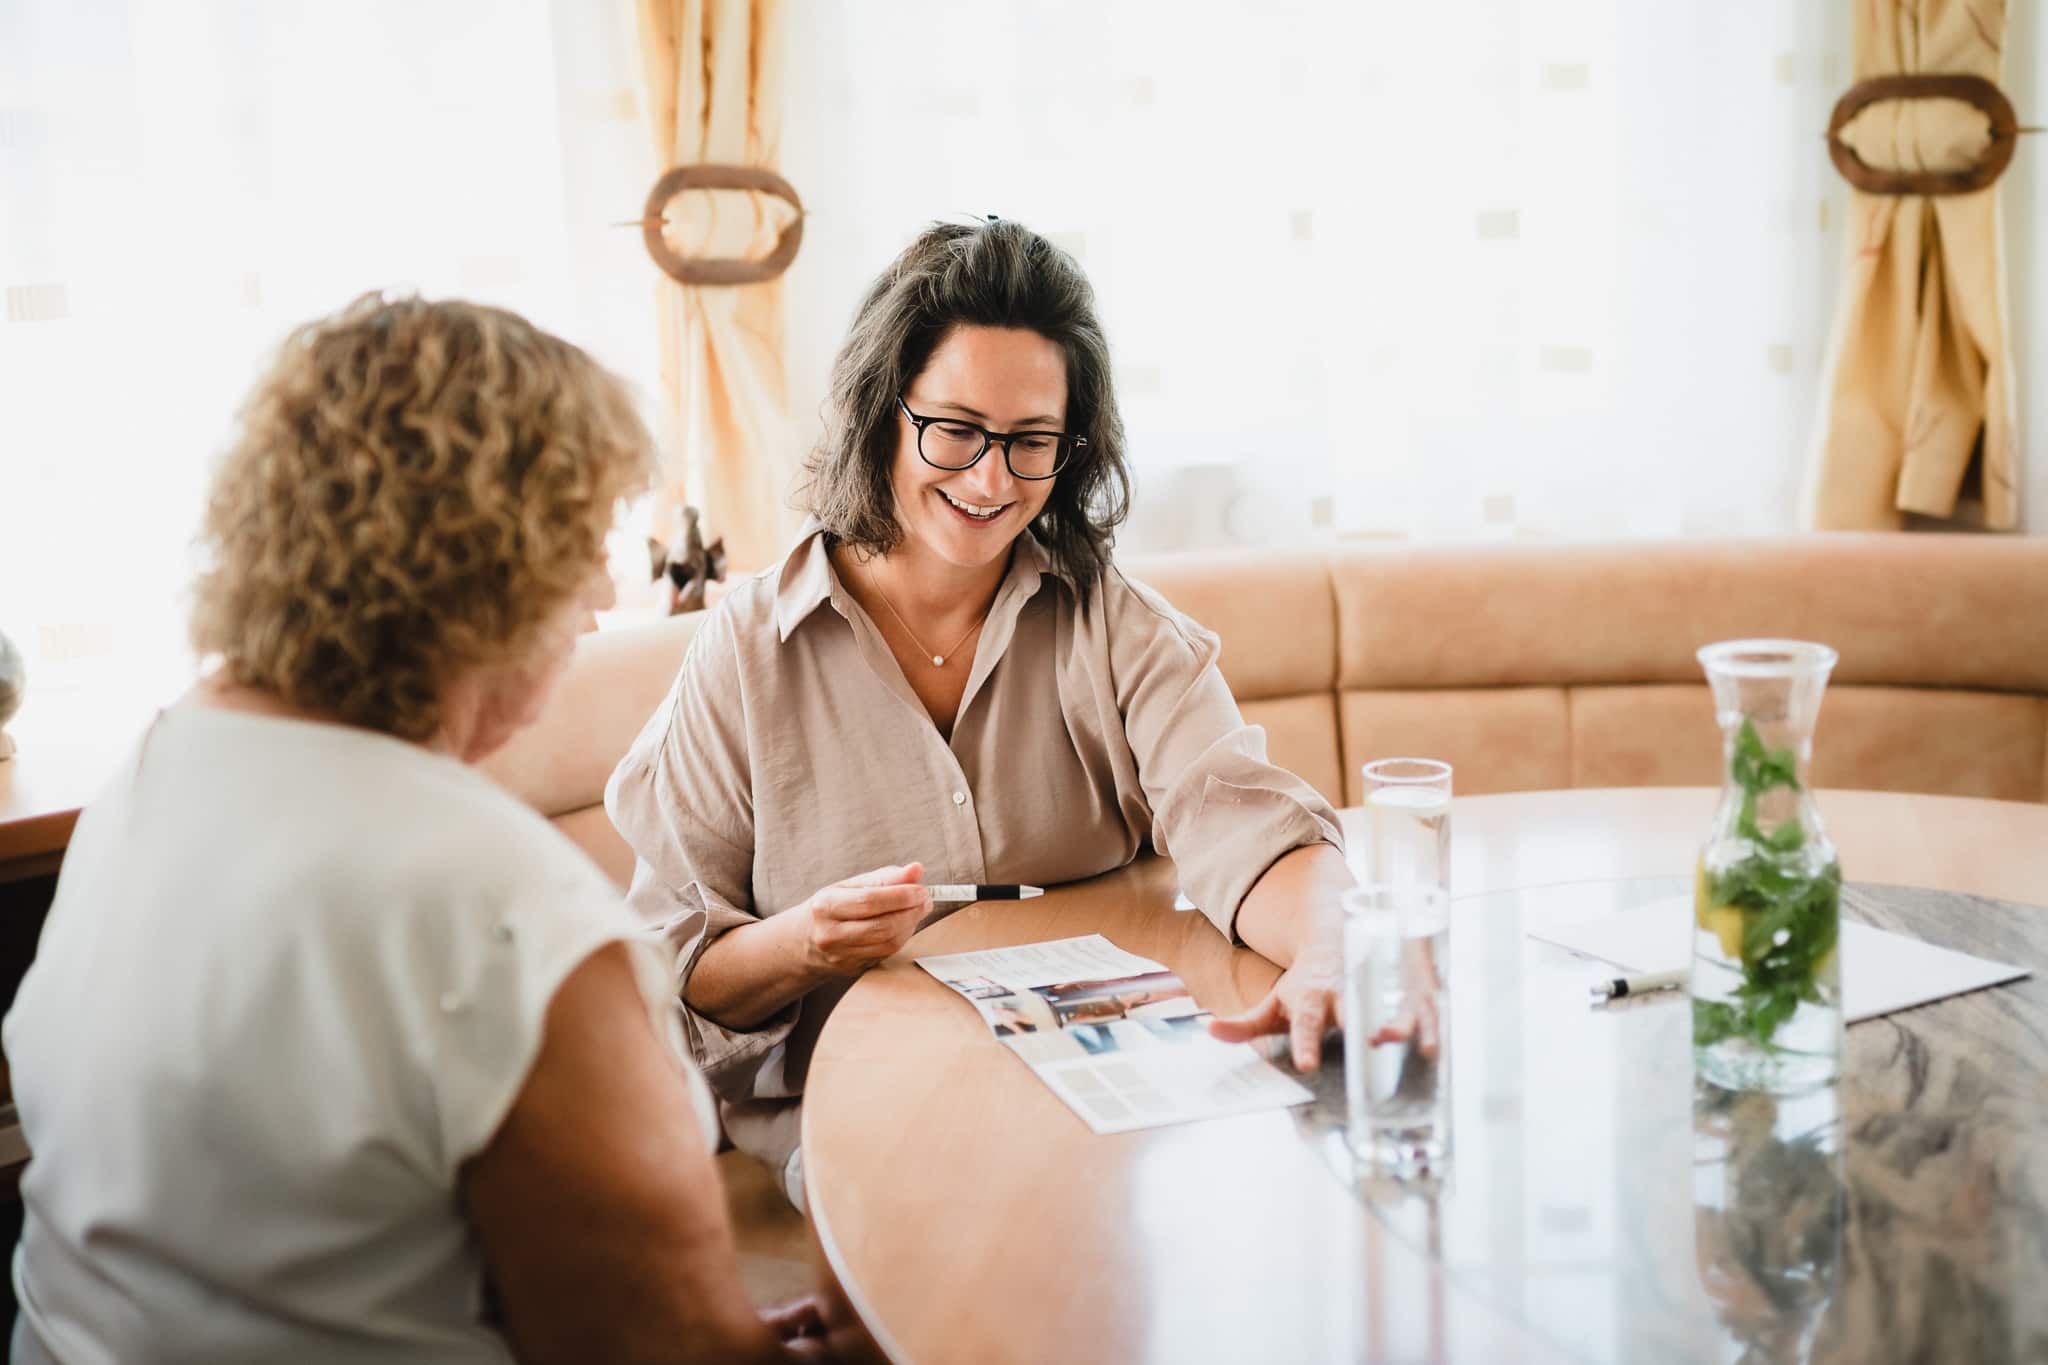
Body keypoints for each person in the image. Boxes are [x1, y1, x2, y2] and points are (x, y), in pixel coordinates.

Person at [4, 295, 830, 1363]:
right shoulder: (501, 907)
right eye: (580, 546)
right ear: (480, 566)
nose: (599, 591)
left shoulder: (155, 772)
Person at [607, 219, 1352, 1208]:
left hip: (1109, 1098)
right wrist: (806, 943)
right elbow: (674, 978)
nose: (991, 479)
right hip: (863, 1129)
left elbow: (1251, 832)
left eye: (1030, 441)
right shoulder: (745, 649)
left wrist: (1343, 957)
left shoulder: (1114, 626)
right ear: (880, 414)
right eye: (953, 429)